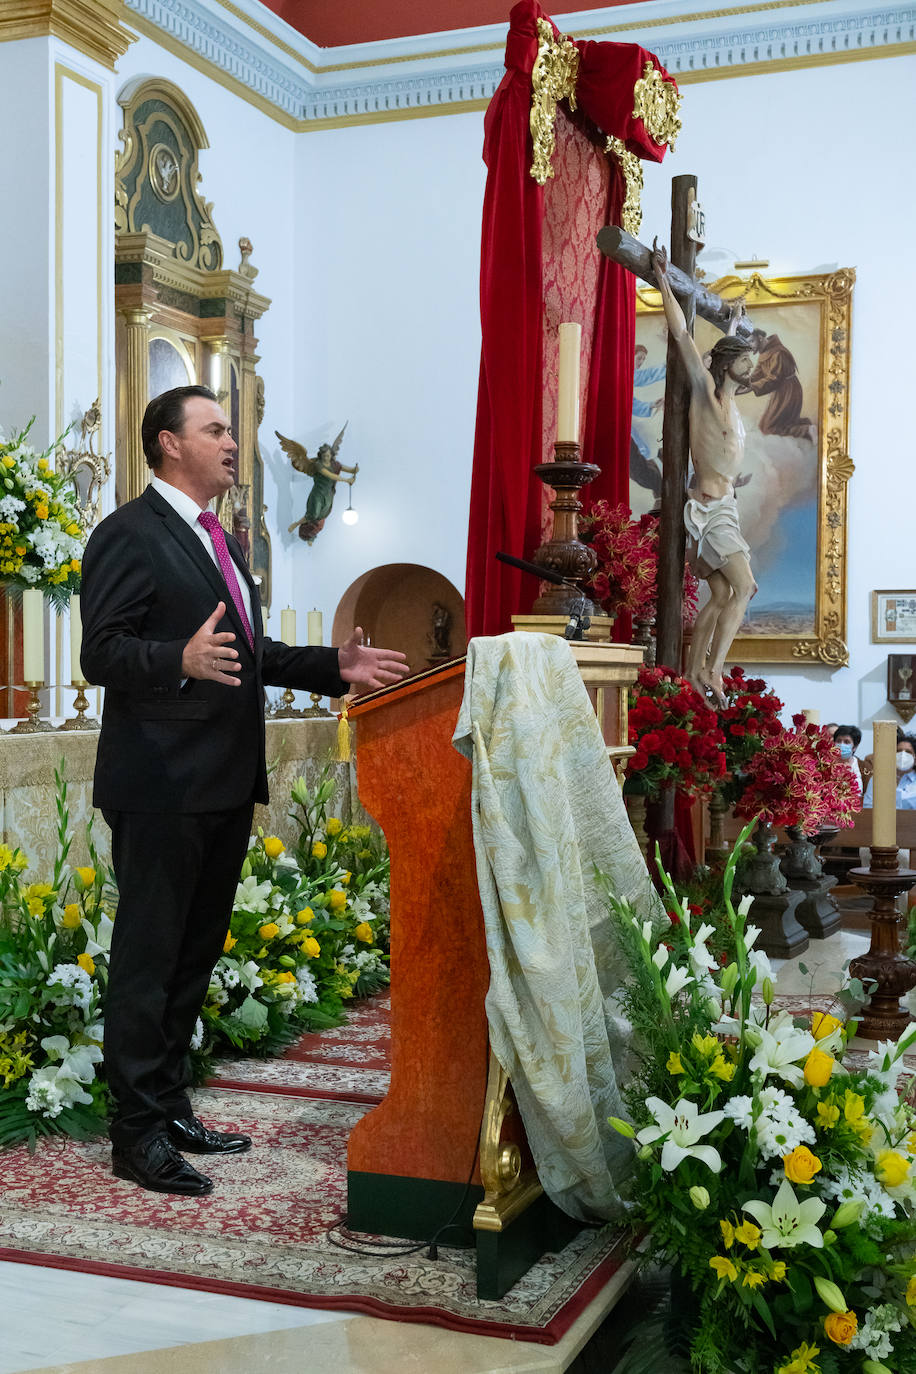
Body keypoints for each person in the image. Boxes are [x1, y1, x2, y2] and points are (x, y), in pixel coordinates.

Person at [80, 385, 409, 1197]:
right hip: (160, 783)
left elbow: (252, 650)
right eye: (216, 429)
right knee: (149, 963)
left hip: (223, 781)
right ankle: (135, 1136)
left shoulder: (215, 537)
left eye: (231, 429)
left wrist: (337, 667)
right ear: (168, 444)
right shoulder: (130, 532)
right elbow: (102, 652)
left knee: (191, 960)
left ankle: (168, 1105)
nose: (233, 442)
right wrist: (175, 661)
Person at [651, 242, 757, 707]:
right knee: (745, 586)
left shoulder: (733, 408)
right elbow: (683, 338)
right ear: (726, 364)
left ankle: (696, 670)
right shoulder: (706, 396)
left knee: (718, 592)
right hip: (710, 511)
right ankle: (713, 667)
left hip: (727, 507)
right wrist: (663, 282)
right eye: (744, 362)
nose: (751, 370)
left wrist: (733, 323)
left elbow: (729, 342)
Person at [746, 328, 816, 442]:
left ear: (760, 338)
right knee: (765, 425)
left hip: (788, 391)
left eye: (751, 341)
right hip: (781, 391)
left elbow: (774, 379)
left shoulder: (778, 352)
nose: (749, 346)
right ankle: (807, 427)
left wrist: (752, 387)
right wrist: (741, 383)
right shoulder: (764, 352)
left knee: (769, 428)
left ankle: (806, 430)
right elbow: (756, 375)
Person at [862, 734, 916, 810]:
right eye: (898, 751)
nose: (903, 755)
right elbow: (868, 807)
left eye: (908, 752)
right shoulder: (878, 779)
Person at [832, 723, 863, 802]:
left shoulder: (863, 767)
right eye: (839, 741)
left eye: (846, 742)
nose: (841, 744)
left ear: (854, 747)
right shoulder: (826, 764)